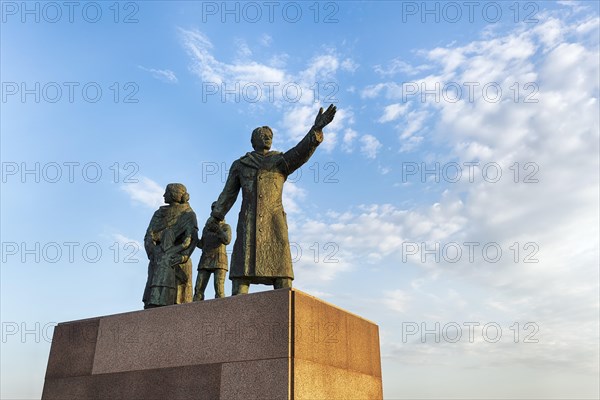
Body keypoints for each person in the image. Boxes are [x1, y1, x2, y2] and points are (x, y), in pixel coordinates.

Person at [207, 104, 337, 295]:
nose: (267, 137)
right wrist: (216, 215)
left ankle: (286, 310)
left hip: (274, 222)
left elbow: (300, 153)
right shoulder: (241, 164)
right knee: (241, 277)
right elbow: (228, 193)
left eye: (269, 135)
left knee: (282, 275)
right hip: (248, 223)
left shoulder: (279, 161)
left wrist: (316, 129)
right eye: (262, 135)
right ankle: (236, 315)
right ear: (253, 140)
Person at [142, 183, 198, 308]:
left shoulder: (188, 214)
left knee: (179, 306)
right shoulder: (158, 213)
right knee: (153, 305)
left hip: (178, 261)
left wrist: (183, 257)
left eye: (166, 192)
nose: (163, 195)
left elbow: (193, 240)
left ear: (174, 195)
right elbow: (148, 236)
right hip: (157, 260)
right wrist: (154, 251)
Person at [193, 202, 231, 301]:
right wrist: (193, 236)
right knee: (198, 289)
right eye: (213, 209)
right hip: (205, 259)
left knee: (219, 289)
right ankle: (193, 313)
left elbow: (227, 240)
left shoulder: (225, 227)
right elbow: (202, 244)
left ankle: (222, 312)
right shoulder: (206, 228)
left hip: (219, 260)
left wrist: (218, 230)